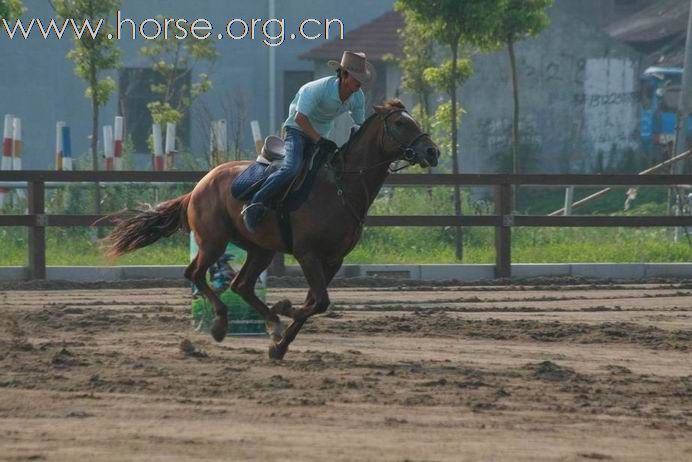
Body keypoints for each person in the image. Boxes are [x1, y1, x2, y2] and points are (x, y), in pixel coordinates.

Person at [242, 51, 373, 233]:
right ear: (344, 75)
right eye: (356, 79)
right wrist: (319, 140)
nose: (359, 84)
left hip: (320, 136)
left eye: (361, 79)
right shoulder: (317, 89)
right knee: (292, 168)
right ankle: (254, 203)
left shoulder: (357, 97)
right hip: (297, 131)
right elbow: (300, 118)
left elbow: (360, 126)